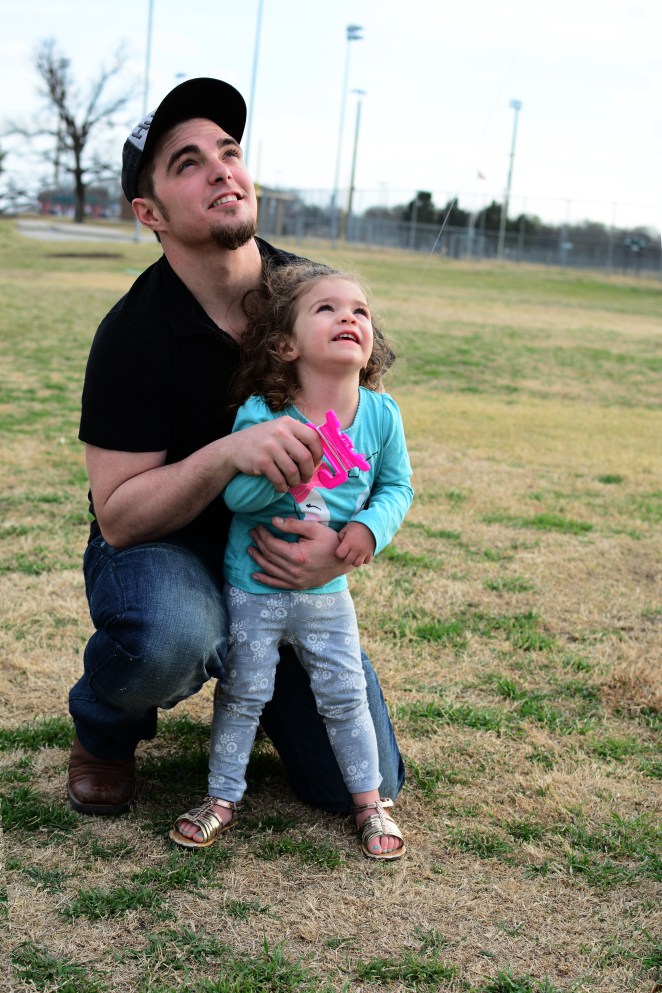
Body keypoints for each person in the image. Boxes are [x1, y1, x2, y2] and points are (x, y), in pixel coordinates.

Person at [67, 76, 405, 820]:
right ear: (147, 212)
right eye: (187, 162)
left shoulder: (311, 295)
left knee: (360, 776)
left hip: (279, 567)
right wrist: (229, 453)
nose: (221, 168)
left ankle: (251, 683)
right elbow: (119, 518)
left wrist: (342, 546)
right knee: (171, 634)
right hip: (167, 552)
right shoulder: (130, 335)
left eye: (228, 151)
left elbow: (375, 455)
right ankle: (105, 724)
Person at [169, 263, 413, 859]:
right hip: (255, 587)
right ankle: (222, 797)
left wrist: (365, 531)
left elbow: (397, 488)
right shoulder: (264, 413)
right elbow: (238, 499)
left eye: (359, 310)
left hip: (326, 596)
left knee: (345, 692)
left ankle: (368, 803)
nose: (349, 317)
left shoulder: (381, 416)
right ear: (286, 344)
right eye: (326, 309)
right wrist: (286, 473)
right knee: (245, 692)